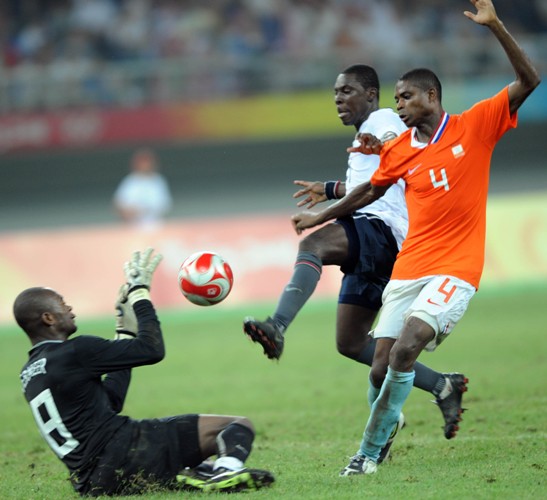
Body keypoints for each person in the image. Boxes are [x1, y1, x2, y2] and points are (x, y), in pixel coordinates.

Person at [291, 0, 540, 476]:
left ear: (431, 95)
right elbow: (368, 193)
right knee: (380, 368)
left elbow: (530, 80)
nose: (398, 105)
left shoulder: (475, 125)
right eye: (397, 98)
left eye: (404, 97)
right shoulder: (400, 150)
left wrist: (497, 27)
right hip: (409, 269)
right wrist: (321, 214)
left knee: (407, 349)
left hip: (455, 268)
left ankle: (365, 454)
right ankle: (388, 428)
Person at [243, 63, 468, 462]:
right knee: (349, 343)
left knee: (314, 244)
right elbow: (373, 181)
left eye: (346, 91)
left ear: (370, 95)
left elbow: (388, 153)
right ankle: (442, 384)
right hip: (379, 238)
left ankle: (277, 326)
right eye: (334, 93)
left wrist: (374, 149)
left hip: (383, 230)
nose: (338, 100)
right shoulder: (365, 141)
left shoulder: (382, 119)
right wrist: (329, 188)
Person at [15, 248, 274, 496]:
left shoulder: (29, 373)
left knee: (195, 467)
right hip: (127, 450)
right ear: (48, 318)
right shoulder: (76, 350)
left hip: (94, 481)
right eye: (62, 304)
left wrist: (124, 331)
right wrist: (140, 295)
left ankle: (182, 475)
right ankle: (225, 473)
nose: (69, 309)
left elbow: (110, 403)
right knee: (236, 426)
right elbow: (152, 349)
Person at [113, 148, 173, 230]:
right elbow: (119, 205)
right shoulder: (130, 181)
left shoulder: (158, 181)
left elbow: (164, 205)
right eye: (142, 162)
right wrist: (128, 212)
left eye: (147, 162)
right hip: (133, 226)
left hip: (155, 226)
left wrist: (143, 210)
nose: (145, 165)